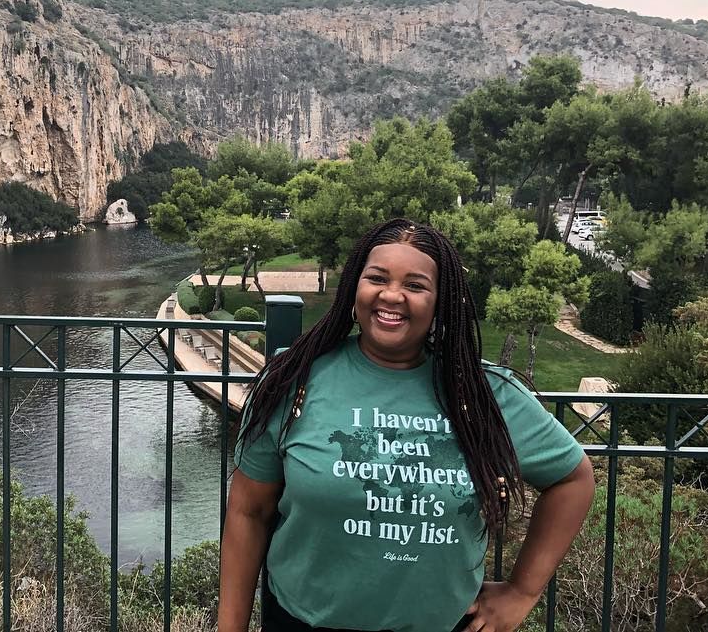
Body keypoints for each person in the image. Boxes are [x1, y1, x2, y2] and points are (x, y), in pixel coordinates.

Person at [219, 218, 595, 632]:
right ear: (354, 287)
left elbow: (573, 480)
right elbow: (248, 512)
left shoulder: (488, 394)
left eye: (415, 286)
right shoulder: (293, 380)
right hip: (302, 622)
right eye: (377, 278)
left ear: (440, 301)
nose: (392, 295)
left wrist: (523, 591)